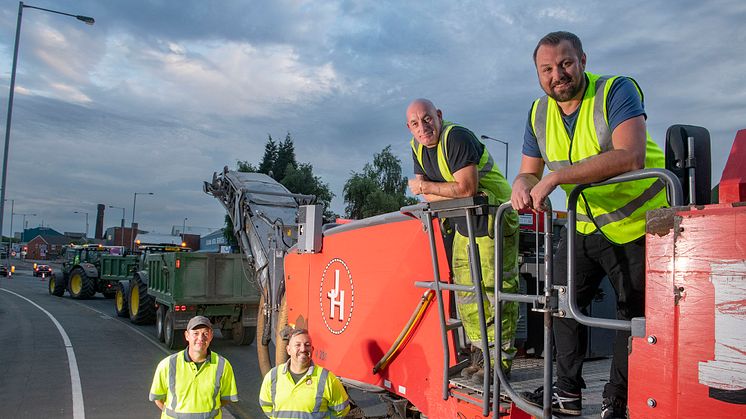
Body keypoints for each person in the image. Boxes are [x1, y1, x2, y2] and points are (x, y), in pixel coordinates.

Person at [512, 31, 668, 418]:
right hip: (583, 226)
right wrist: (521, 184)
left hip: (639, 224)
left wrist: (556, 179)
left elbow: (630, 156)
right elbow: (529, 173)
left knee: (631, 316)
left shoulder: (616, 90)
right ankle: (566, 394)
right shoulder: (538, 113)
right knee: (562, 305)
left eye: (565, 63)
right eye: (546, 69)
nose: (557, 74)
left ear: (583, 59)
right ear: (538, 74)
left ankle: (616, 401)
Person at [406, 98, 519, 383]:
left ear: (439, 115)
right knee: (467, 293)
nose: (423, 128)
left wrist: (427, 186)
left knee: (495, 291)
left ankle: (500, 364)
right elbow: (430, 197)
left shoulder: (456, 137)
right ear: (409, 128)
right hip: (463, 222)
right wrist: (441, 192)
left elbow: (466, 187)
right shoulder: (416, 147)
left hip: (492, 218)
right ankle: (480, 358)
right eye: (415, 123)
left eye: (427, 119)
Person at [149, 316, 238, 418]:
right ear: (187, 336)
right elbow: (158, 399)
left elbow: (225, 399)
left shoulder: (223, 365)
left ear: (211, 336)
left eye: (205, 333)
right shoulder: (167, 364)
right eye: (195, 333)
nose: (201, 338)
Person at [259, 328, 350, 418]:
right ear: (288, 350)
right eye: (297, 345)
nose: (303, 349)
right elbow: (266, 405)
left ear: (312, 349)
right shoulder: (273, 376)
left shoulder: (327, 378)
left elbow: (342, 410)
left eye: (307, 345)